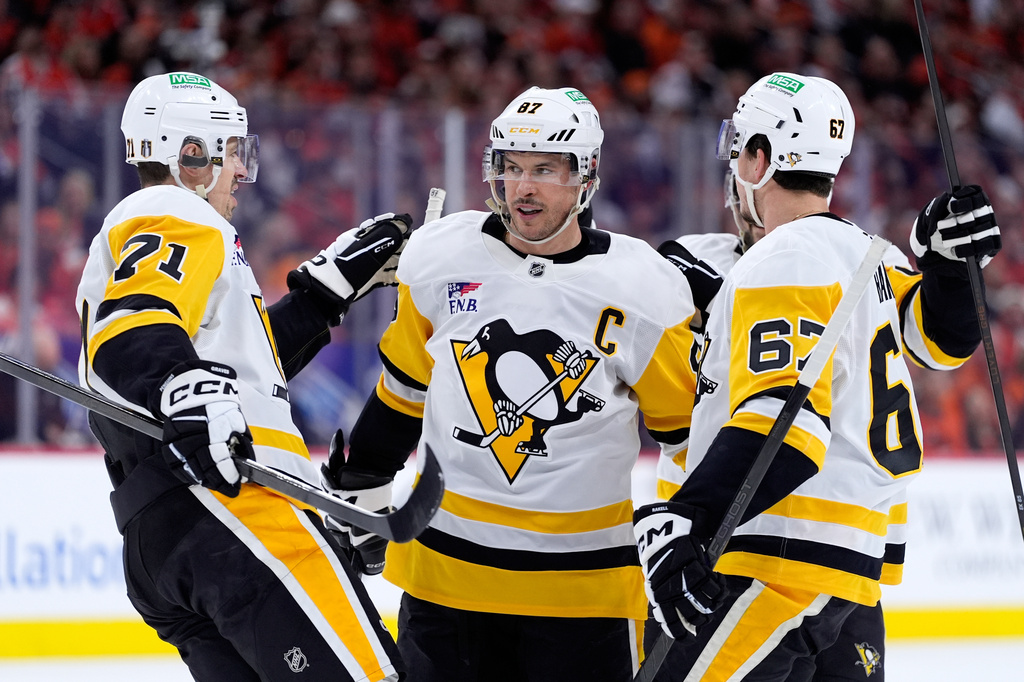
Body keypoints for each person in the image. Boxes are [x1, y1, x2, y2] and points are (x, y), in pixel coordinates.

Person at [320, 86, 699, 681]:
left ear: (587, 174)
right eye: (511, 166)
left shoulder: (645, 289)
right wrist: (364, 479)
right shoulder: (441, 257)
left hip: (584, 596)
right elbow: (404, 392)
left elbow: (687, 437)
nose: (523, 187)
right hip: (445, 580)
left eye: (545, 169)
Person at [632, 72, 1000, 681]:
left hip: (770, 553)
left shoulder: (783, 258)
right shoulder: (870, 254)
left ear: (759, 158)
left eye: (739, 151)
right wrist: (949, 272)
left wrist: (686, 518)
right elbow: (938, 339)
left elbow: (787, 424)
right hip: (849, 575)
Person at [76, 72, 411, 681]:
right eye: (231, 152)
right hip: (236, 508)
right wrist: (183, 389)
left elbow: (233, 372)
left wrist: (322, 295)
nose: (241, 171)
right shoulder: (175, 211)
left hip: (165, 530)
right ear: (190, 155)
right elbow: (134, 327)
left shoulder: (144, 233)